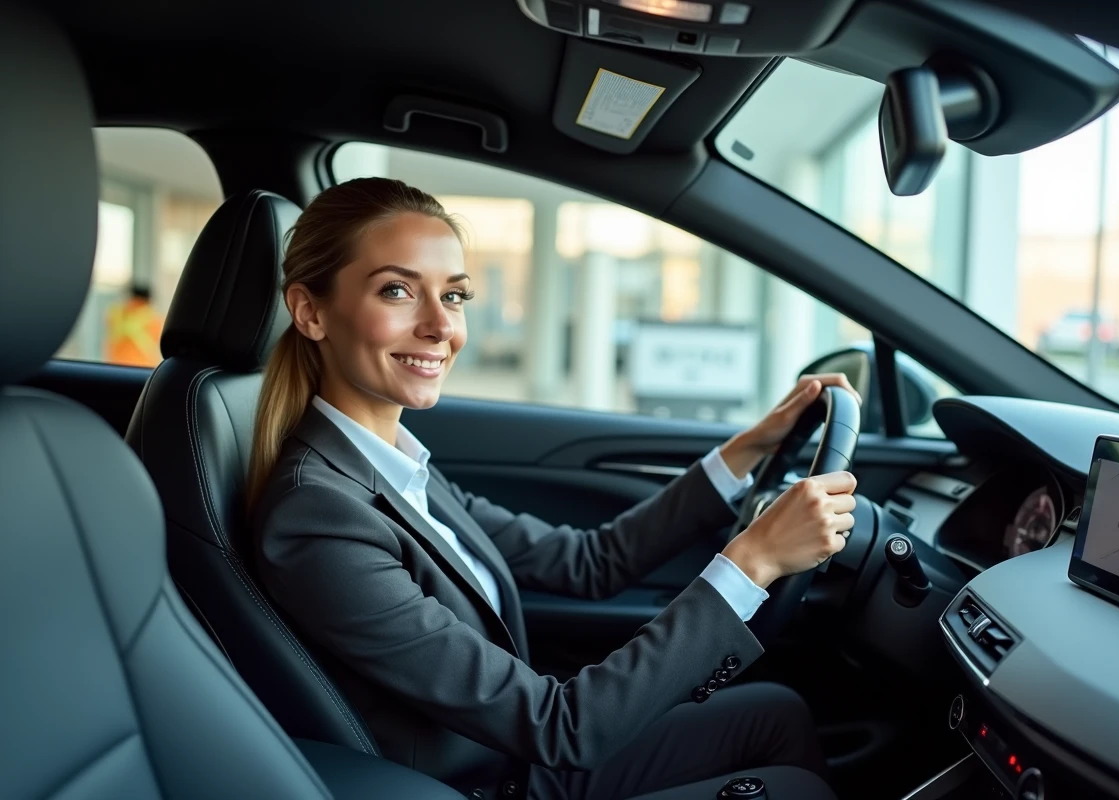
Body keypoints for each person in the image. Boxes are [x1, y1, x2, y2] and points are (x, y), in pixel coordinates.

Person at [249, 177, 861, 800]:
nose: (440, 327)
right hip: (492, 781)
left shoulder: (397, 469)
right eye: (398, 290)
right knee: (791, 789)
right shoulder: (320, 516)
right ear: (311, 312)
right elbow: (561, 728)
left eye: (454, 296)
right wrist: (753, 561)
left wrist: (751, 445)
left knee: (776, 714)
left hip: (521, 758)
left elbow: (589, 563)